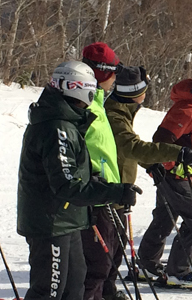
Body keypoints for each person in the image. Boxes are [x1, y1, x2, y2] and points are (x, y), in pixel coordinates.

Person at [17, 61, 141, 300]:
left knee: (75, 286)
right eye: (91, 91)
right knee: (50, 290)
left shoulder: (68, 122)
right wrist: (113, 192)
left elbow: (70, 173)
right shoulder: (57, 127)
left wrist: (96, 183)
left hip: (68, 219)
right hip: (52, 222)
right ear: (79, 89)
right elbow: (66, 185)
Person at [137, 62, 192, 286]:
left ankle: (146, 265)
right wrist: (175, 162)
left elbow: (189, 141)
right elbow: (161, 140)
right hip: (174, 174)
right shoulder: (190, 108)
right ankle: (178, 271)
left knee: (165, 219)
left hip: (176, 172)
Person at [76, 42, 126, 300]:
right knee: (97, 264)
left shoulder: (99, 104)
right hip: (95, 194)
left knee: (113, 254)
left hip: (108, 191)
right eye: (113, 71)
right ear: (102, 73)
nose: (116, 78)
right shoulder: (87, 107)